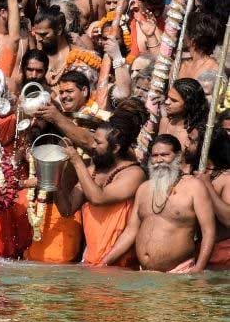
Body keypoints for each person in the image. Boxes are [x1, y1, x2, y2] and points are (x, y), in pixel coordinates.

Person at [101, 135, 215, 273]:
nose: (159, 160)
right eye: (155, 156)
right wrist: (104, 262)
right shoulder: (143, 188)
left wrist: (198, 269)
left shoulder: (194, 186)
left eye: (165, 155)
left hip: (179, 273)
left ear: (178, 156)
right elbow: (131, 231)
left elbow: (208, 231)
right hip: (144, 274)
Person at [58, 115, 147, 267]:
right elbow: (67, 209)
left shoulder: (134, 174)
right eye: (93, 140)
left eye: (98, 142)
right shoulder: (92, 171)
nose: (92, 146)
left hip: (120, 266)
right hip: (91, 262)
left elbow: (98, 198)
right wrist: (55, 176)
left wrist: (77, 162)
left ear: (116, 148)